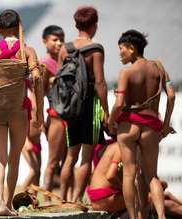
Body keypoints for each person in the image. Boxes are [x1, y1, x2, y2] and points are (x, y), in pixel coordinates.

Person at [0, 9, 42, 216]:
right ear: (18, 26)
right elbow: (37, 79)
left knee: (0, 158)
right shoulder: (27, 50)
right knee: (14, 157)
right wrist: (39, 113)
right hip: (18, 109)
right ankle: (9, 204)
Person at [108, 29, 175, 219]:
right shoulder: (159, 68)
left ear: (132, 48)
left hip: (128, 125)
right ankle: (161, 217)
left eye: (121, 49)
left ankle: (133, 216)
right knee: (152, 176)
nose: (119, 53)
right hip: (151, 126)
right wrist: (166, 123)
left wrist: (112, 120)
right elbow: (171, 95)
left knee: (129, 174)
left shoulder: (126, 72)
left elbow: (120, 103)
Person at [59, 6, 109, 202]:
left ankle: (62, 198)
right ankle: (76, 199)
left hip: (70, 106)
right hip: (90, 106)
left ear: (76, 24)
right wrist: (106, 110)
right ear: (95, 24)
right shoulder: (96, 49)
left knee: (70, 156)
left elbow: (61, 79)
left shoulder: (65, 48)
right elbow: (100, 83)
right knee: (86, 157)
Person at [32, 25, 67, 201]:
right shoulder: (45, 64)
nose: (59, 43)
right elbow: (39, 94)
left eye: (61, 39)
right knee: (53, 161)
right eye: (54, 40)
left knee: (68, 159)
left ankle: (66, 197)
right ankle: (46, 199)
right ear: (45, 42)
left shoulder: (67, 61)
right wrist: (39, 121)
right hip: (54, 115)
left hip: (69, 116)